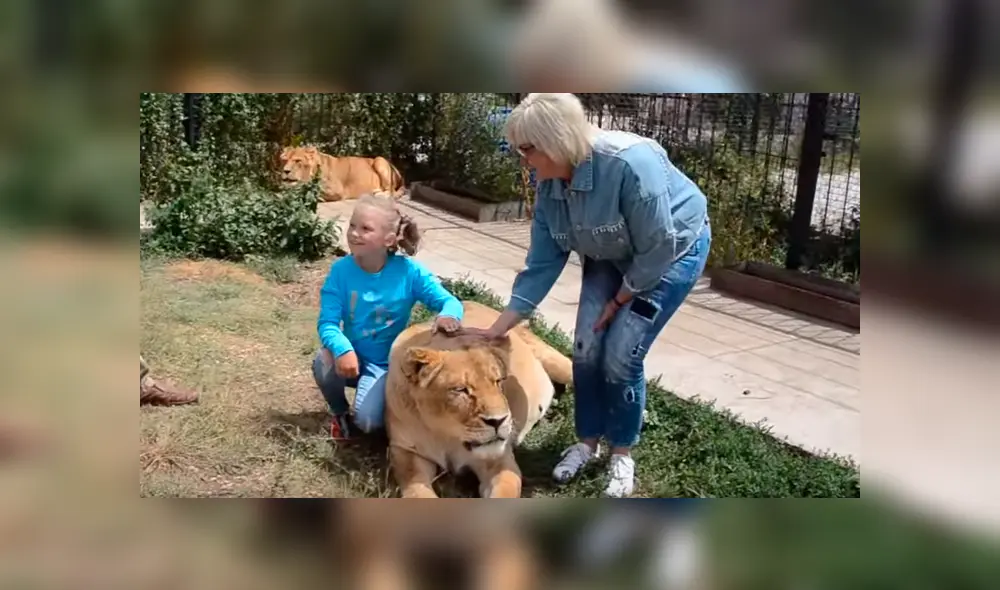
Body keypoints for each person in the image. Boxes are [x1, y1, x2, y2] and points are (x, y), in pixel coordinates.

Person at [468, 93, 712, 497]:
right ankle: (586, 442)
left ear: (555, 140)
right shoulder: (549, 184)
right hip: (610, 251)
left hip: (669, 254)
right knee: (585, 348)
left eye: (527, 149)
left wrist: (620, 301)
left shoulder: (631, 164)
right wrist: (501, 324)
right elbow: (544, 259)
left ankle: (622, 453)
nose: (523, 159)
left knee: (621, 352)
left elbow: (659, 244)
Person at [313, 193, 464, 440]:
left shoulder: (409, 272)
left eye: (365, 228)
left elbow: (449, 301)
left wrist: (447, 315)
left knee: (369, 423)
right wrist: (342, 349)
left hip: (387, 365)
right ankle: (340, 413)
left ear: (389, 239)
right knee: (323, 360)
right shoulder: (341, 271)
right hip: (352, 357)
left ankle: (388, 405)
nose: (354, 233)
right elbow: (327, 323)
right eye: (352, 225)